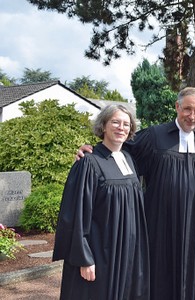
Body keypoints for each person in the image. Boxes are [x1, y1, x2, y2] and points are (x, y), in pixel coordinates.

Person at [77, 87, 195, 300]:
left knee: (192, 274)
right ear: (177, 107)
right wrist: (91, 151)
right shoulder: (155, 135)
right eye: (187, 109)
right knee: (158, 275)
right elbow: (118, 147)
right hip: (158, 223)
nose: (192, 116)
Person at [53, 104, 150, 300]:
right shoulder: (89, 162)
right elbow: (76, 213)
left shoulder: (128, 159)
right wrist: (84, 259)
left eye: (126, 123)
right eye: (115, 122)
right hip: (101, 253)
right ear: (103, 126)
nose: (120, 127)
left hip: (127, 253)